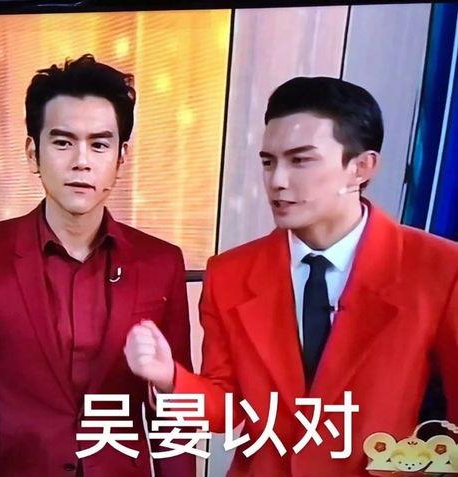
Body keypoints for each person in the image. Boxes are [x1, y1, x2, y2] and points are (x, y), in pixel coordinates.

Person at [124, 76, 458, 476]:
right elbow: (230, 409)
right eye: (269, 162)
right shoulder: (230, 274)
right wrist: (170, 379)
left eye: (300, 160)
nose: (277, 181)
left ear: (361, 167)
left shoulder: (440, 269)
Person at [0, 54, 194, 477]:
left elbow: (174, 401)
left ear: (121, 157)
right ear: (33, 152)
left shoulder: (161, 262)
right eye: (63, 142)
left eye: (99, 144)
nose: (81, 161)